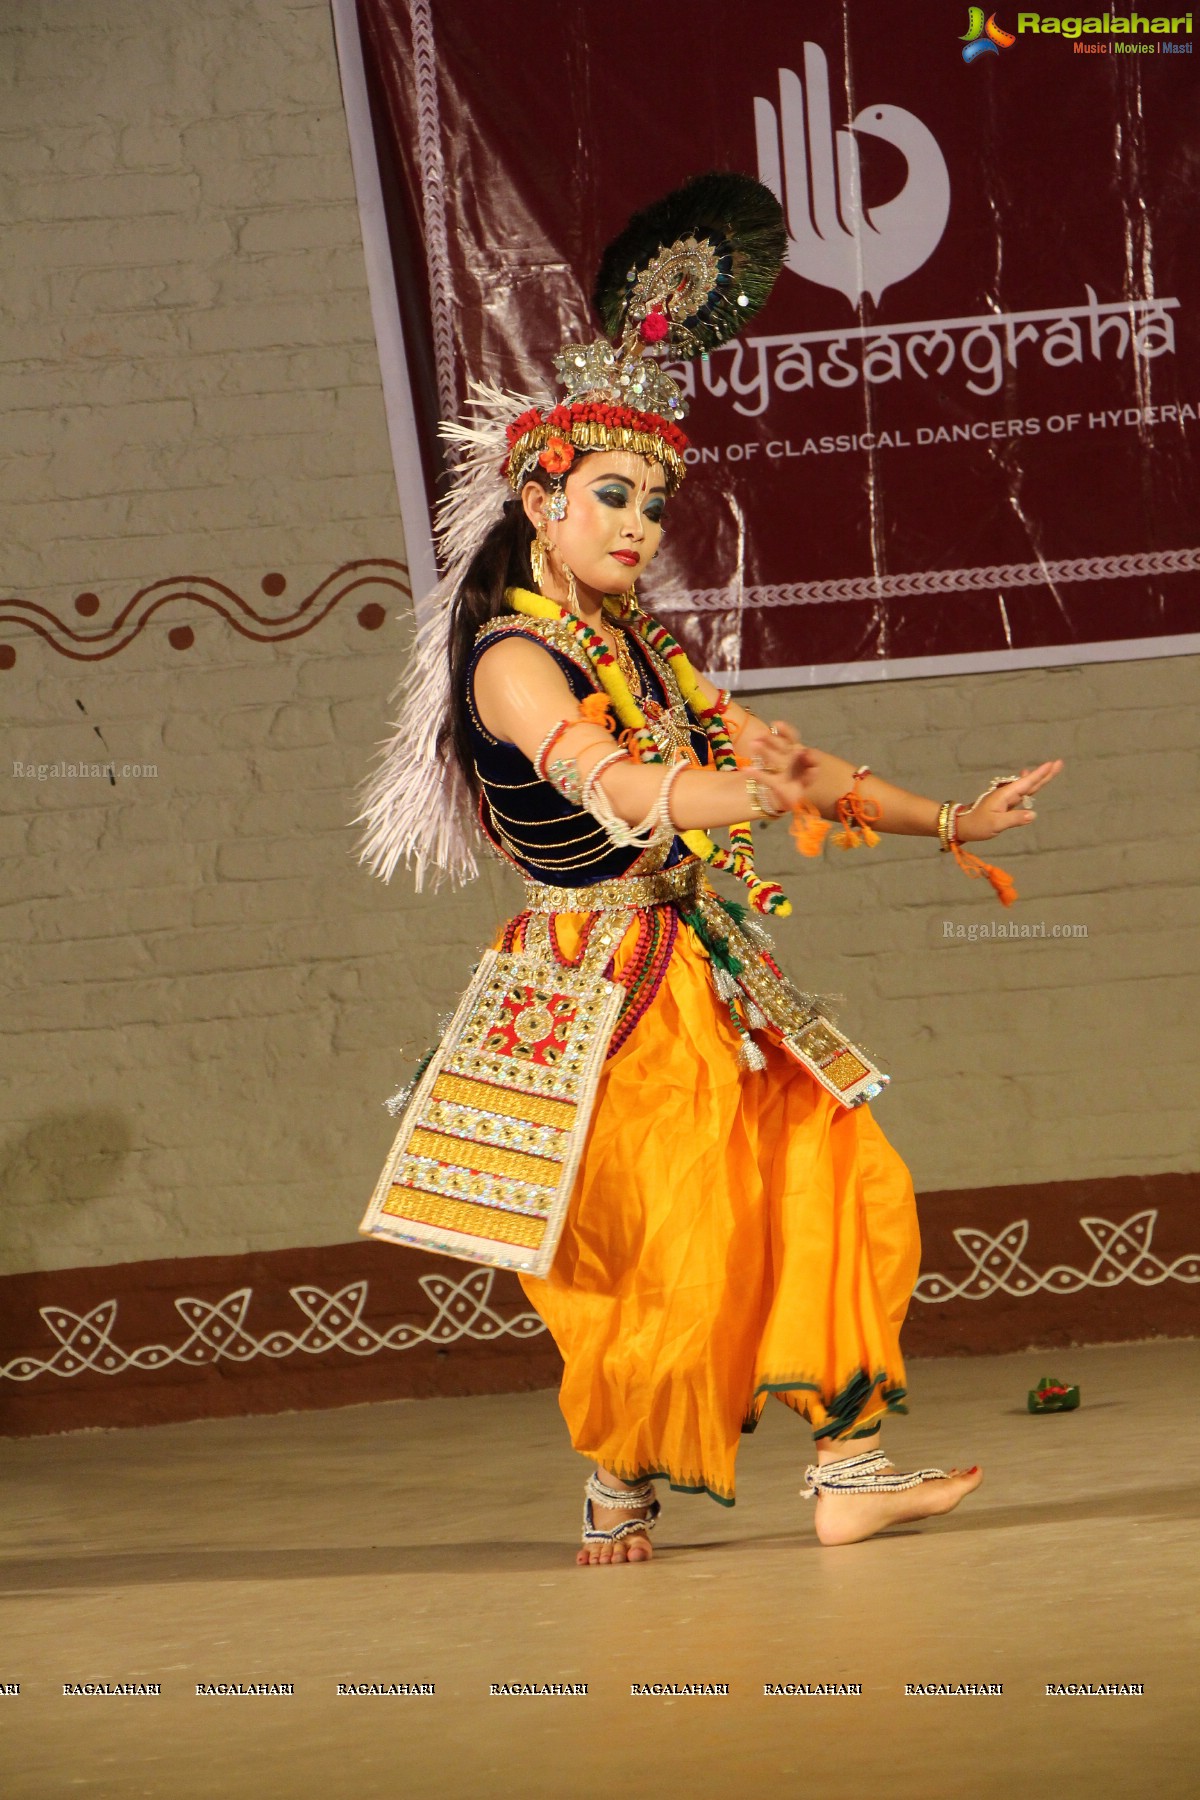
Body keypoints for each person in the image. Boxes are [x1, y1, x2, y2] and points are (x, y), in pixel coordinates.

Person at [357, 175, 1063, 1567]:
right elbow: (611, 785)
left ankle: (852, 1465)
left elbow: (798, 776)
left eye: (657, 506)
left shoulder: (646, 647)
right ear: (541, 497)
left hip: (705, 973)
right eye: (613, 497)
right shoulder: (513, 658)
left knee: (838, 1171)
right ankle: (620, 1478)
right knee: (660, 1250)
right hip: (594, 993)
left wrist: (950, 823)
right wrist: (717, 791)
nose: (640, 527)